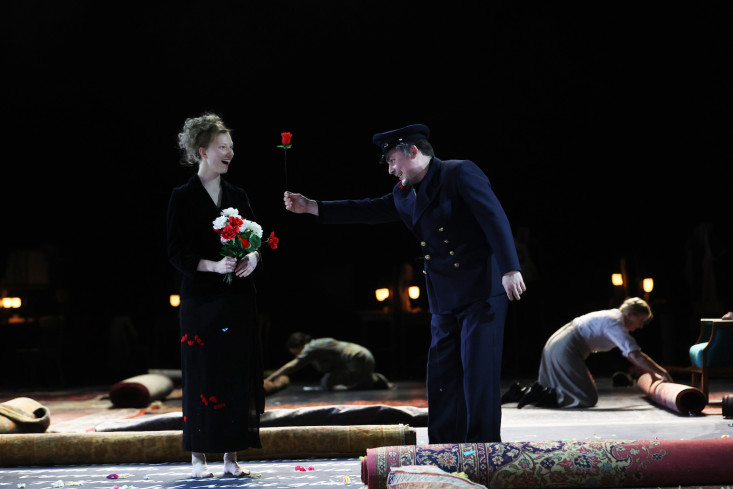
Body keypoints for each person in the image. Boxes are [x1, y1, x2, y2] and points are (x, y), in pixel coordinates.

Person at [283, 124, 525, 444]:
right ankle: (442, 446)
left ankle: (483, 449)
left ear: (413, 152)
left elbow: (494, 217)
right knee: (440, 375)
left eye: (392, 160)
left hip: (481, 290)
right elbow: (366, 209)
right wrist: (312, 206)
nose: (390, 169)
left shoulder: (458, 173)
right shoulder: (403, 193)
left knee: (478, 373)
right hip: (444, 298)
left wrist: (510, 268)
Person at [167, 113, 264, 478]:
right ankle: (197, 456)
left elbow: (257, 240)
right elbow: (176, 252)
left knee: (235, 374)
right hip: (200, 300)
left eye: (232, 148)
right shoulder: (183, 196)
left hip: (237, 298)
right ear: (203, 151)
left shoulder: (238, 196)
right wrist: (213, 265)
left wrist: (253, 257)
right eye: (223, 147)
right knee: (203, 374)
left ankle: (231, 456)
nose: (230, 153)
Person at [509, 297, 672, 409]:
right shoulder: (614, 323)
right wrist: (662, 372)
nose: (642, 326)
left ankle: (519, 393)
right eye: (641, 321)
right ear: (630, 314)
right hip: (566, 346)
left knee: (565, 389)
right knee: (586, 397)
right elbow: (635, 355)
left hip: (561, 342)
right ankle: (537, 393)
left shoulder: (612, 318)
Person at [264, 332, 392, 390]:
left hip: (357, 360)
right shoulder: (318, 345)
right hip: (365, 356)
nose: (297, 356)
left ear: (300, 346)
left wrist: (272, 377)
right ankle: (369, 378)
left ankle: (371, 379)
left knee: (327, 382)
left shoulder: (311, 348)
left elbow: (293, 365)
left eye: (295, 352)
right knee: (329, 379)